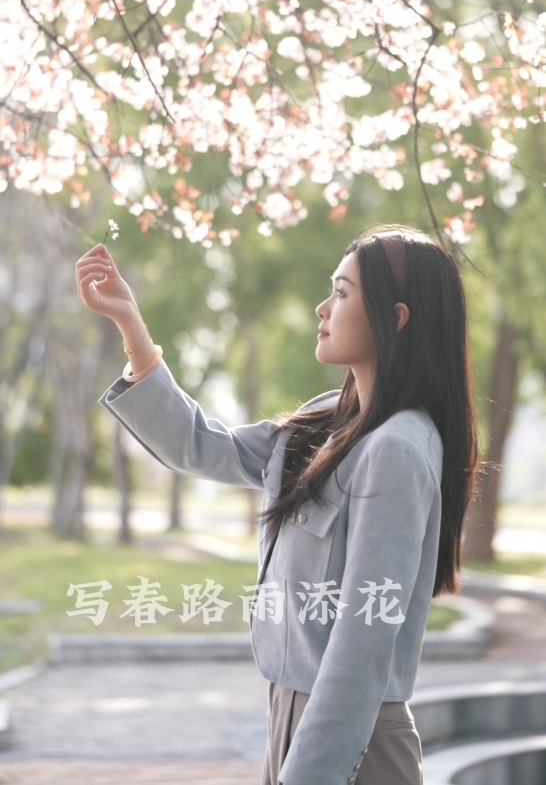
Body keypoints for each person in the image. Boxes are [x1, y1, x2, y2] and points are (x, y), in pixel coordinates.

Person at [75, 223, 478, 785]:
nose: (322, 308)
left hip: (352, 741)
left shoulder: (397, 449)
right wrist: (132, 329)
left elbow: (361, 649)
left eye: (341, 293)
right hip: (290, 718)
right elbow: (203, 446)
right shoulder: (326, 423)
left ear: (397, 317)